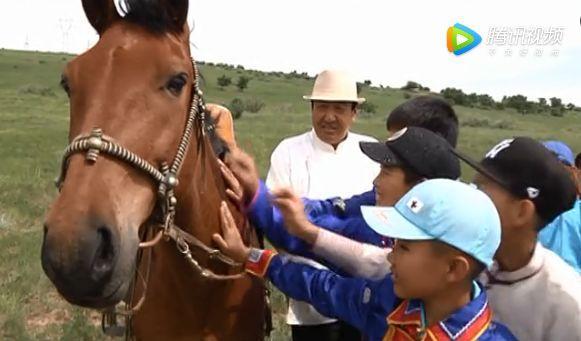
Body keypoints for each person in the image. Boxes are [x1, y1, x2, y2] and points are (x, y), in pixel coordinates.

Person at [213, 179, 517, 340]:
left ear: (453, 268)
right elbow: (322, 287)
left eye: (404, 248)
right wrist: (249, 256)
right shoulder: (387, 302)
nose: (390, 257)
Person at [222, 127, 460, 279]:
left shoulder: (408, 272)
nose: (376, 181)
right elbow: (334, 282)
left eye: (387, 172)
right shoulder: (374, 212)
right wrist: (258, 195)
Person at [265, 69, 378, 339]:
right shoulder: (288, 152)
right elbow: (276, 222)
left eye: (339, 108)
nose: (329, 116)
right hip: (310, 297)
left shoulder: (372, 151)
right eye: (322, 107)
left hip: (366, 295)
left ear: (354, 112)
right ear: (311, 108)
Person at [453, 137, 581, 340]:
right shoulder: (463, 254)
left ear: (522, 211)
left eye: (482, 188)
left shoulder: (567, 305)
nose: (471, 196)